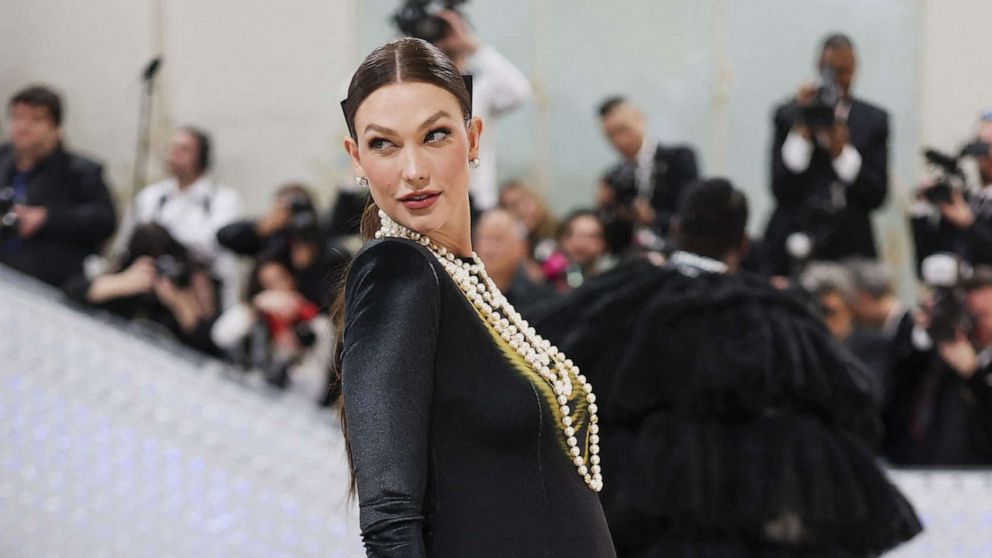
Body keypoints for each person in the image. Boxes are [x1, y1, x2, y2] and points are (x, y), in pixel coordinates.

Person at [535, 178, 921, 556]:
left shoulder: (619, 296)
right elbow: (853, 399)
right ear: (741, 244)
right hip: (754, 509)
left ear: (676, 228)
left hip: (633, 502)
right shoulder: (776, 315)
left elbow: (546, 365)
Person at [336, 37, 615, 557]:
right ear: (356, 157)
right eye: (383, 144)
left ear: (473, 137)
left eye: (435, 135)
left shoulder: (459, 278)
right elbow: (390, 520)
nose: (413, 170)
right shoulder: (396, 271)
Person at [765, 34, 889, 275]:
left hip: (849, 243)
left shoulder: (873, 120)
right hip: (795, 237)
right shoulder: (787, 115)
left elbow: (877, 195)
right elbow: (779, 186)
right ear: (818, 68)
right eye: (831, 70)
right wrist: (801, 128)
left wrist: (841, 150)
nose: (838, 80)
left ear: (854, 71)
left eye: (844, 71)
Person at [0, 85, 116, 287]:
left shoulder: (81, 172)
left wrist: (47, 217)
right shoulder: (3, 158)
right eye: (17, 117)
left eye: (35, 119)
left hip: (46, 279)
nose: (23, 127)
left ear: (56, 128)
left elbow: (105, 220)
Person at [119, 126, 242, 308]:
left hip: (196, 292)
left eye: (184, 149)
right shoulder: (151, 196)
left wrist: (164, 237)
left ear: (201, 157)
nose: (174, 154)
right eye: (173, 148)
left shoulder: (223, 200)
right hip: (149, 283)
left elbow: (211, 245)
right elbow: (128, 241)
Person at [426, 10, 532, 212]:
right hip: (431, 195)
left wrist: (471, 45)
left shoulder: (482, 86)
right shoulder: (416, 88)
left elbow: (519, 91)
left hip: (477, 196)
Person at [64, 223, 220, 356]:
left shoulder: (184, 281)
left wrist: (177, 302)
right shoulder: (126, 281)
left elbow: (207, 343)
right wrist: (125, 283)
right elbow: (73, 292)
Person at [216, 182, 349, 308]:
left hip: (313, 314)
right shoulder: (273, 239)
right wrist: (265, 225)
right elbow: (224, 237)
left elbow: (333, 297)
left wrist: (310, 261)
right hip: (267, 313)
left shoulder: (325, 238)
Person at [596, 96, 699, 250]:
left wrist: (653, 217)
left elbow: (692, 215)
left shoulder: (678, 158)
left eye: (623, 130)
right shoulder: (613, 177)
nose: (619, 141)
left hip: (675, 251)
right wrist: (606, 208)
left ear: (640, 119)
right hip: (631, 258)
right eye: (610, 136)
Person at [912, 115, 992, 271]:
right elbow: (927, 262)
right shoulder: (963, 198)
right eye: (982, 145)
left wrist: (969, 224)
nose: (986, 155)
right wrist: (921, 210)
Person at [474, 208, 555, 318]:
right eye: (482, 238)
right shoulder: (464, 289)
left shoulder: (541, 301)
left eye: (497, 239)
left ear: (521, 246)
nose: (488, 249)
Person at [543, 209, 610, 293]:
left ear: (603, 244)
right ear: (562, 240)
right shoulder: (543, 281)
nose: (582, 244)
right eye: (576, 235)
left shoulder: (609, 286)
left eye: (591, 236)